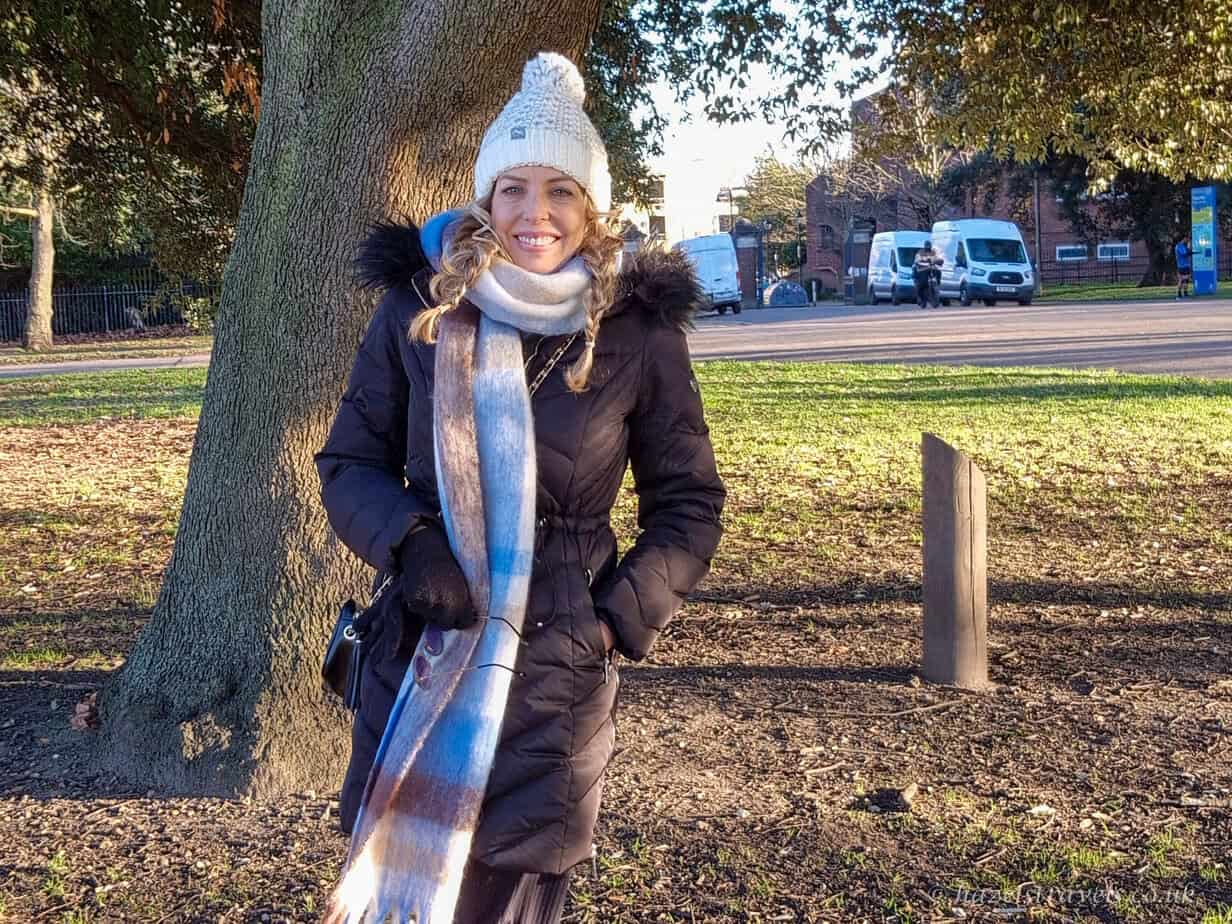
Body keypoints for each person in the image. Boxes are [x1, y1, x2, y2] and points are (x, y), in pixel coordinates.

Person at [315, 51, 725, 923]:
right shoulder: (419, 311)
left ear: (593, 207)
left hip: (557, 678)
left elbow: (688, 504)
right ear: (484, 199)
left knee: (510, 899)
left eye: (560, 191)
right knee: (400, 884)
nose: (535, 214)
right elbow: (347, 463)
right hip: (422, 651)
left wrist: (615, 618)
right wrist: (412, 544)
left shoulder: (638, 332)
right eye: (513, 189)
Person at [912, 240, 941, 308]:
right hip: (922, 270)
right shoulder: (920, 253)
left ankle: (937, 284)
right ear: (924, 247)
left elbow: (937, 258)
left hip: (930, 268)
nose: (928, 248)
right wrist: (923, 262)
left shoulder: (933, 252)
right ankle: (920, 298)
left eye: (929, 247)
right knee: (921, 283)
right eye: (927, 247)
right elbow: (917, 261)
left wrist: (939, 261)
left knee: (938, 271)